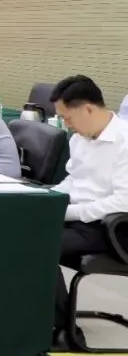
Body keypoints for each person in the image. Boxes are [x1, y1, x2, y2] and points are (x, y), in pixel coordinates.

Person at [47, 76, 128, 350]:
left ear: (88, 109)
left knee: (39, 243)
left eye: (67, 118)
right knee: (17, 230)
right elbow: (73, 180)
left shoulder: (124, 141)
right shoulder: (80, 138)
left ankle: (63, 330)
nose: (65, 124)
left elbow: (123, 202)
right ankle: (31, 312)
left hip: (113, 228)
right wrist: (49, 199)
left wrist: (67, 212)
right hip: (78, 218)